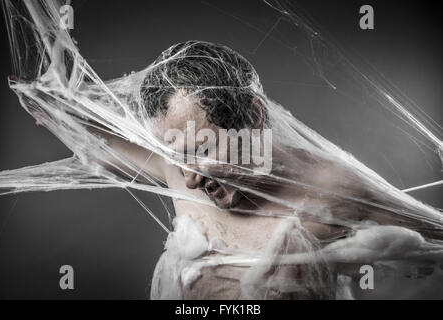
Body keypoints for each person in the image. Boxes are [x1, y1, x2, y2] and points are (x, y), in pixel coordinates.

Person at [86, 41, 442, 299]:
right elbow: (94, 142)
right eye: (174, 155)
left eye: (203, 150)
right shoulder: (177, 168)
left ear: (253, 116)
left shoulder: (332, 188)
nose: (189, 179)